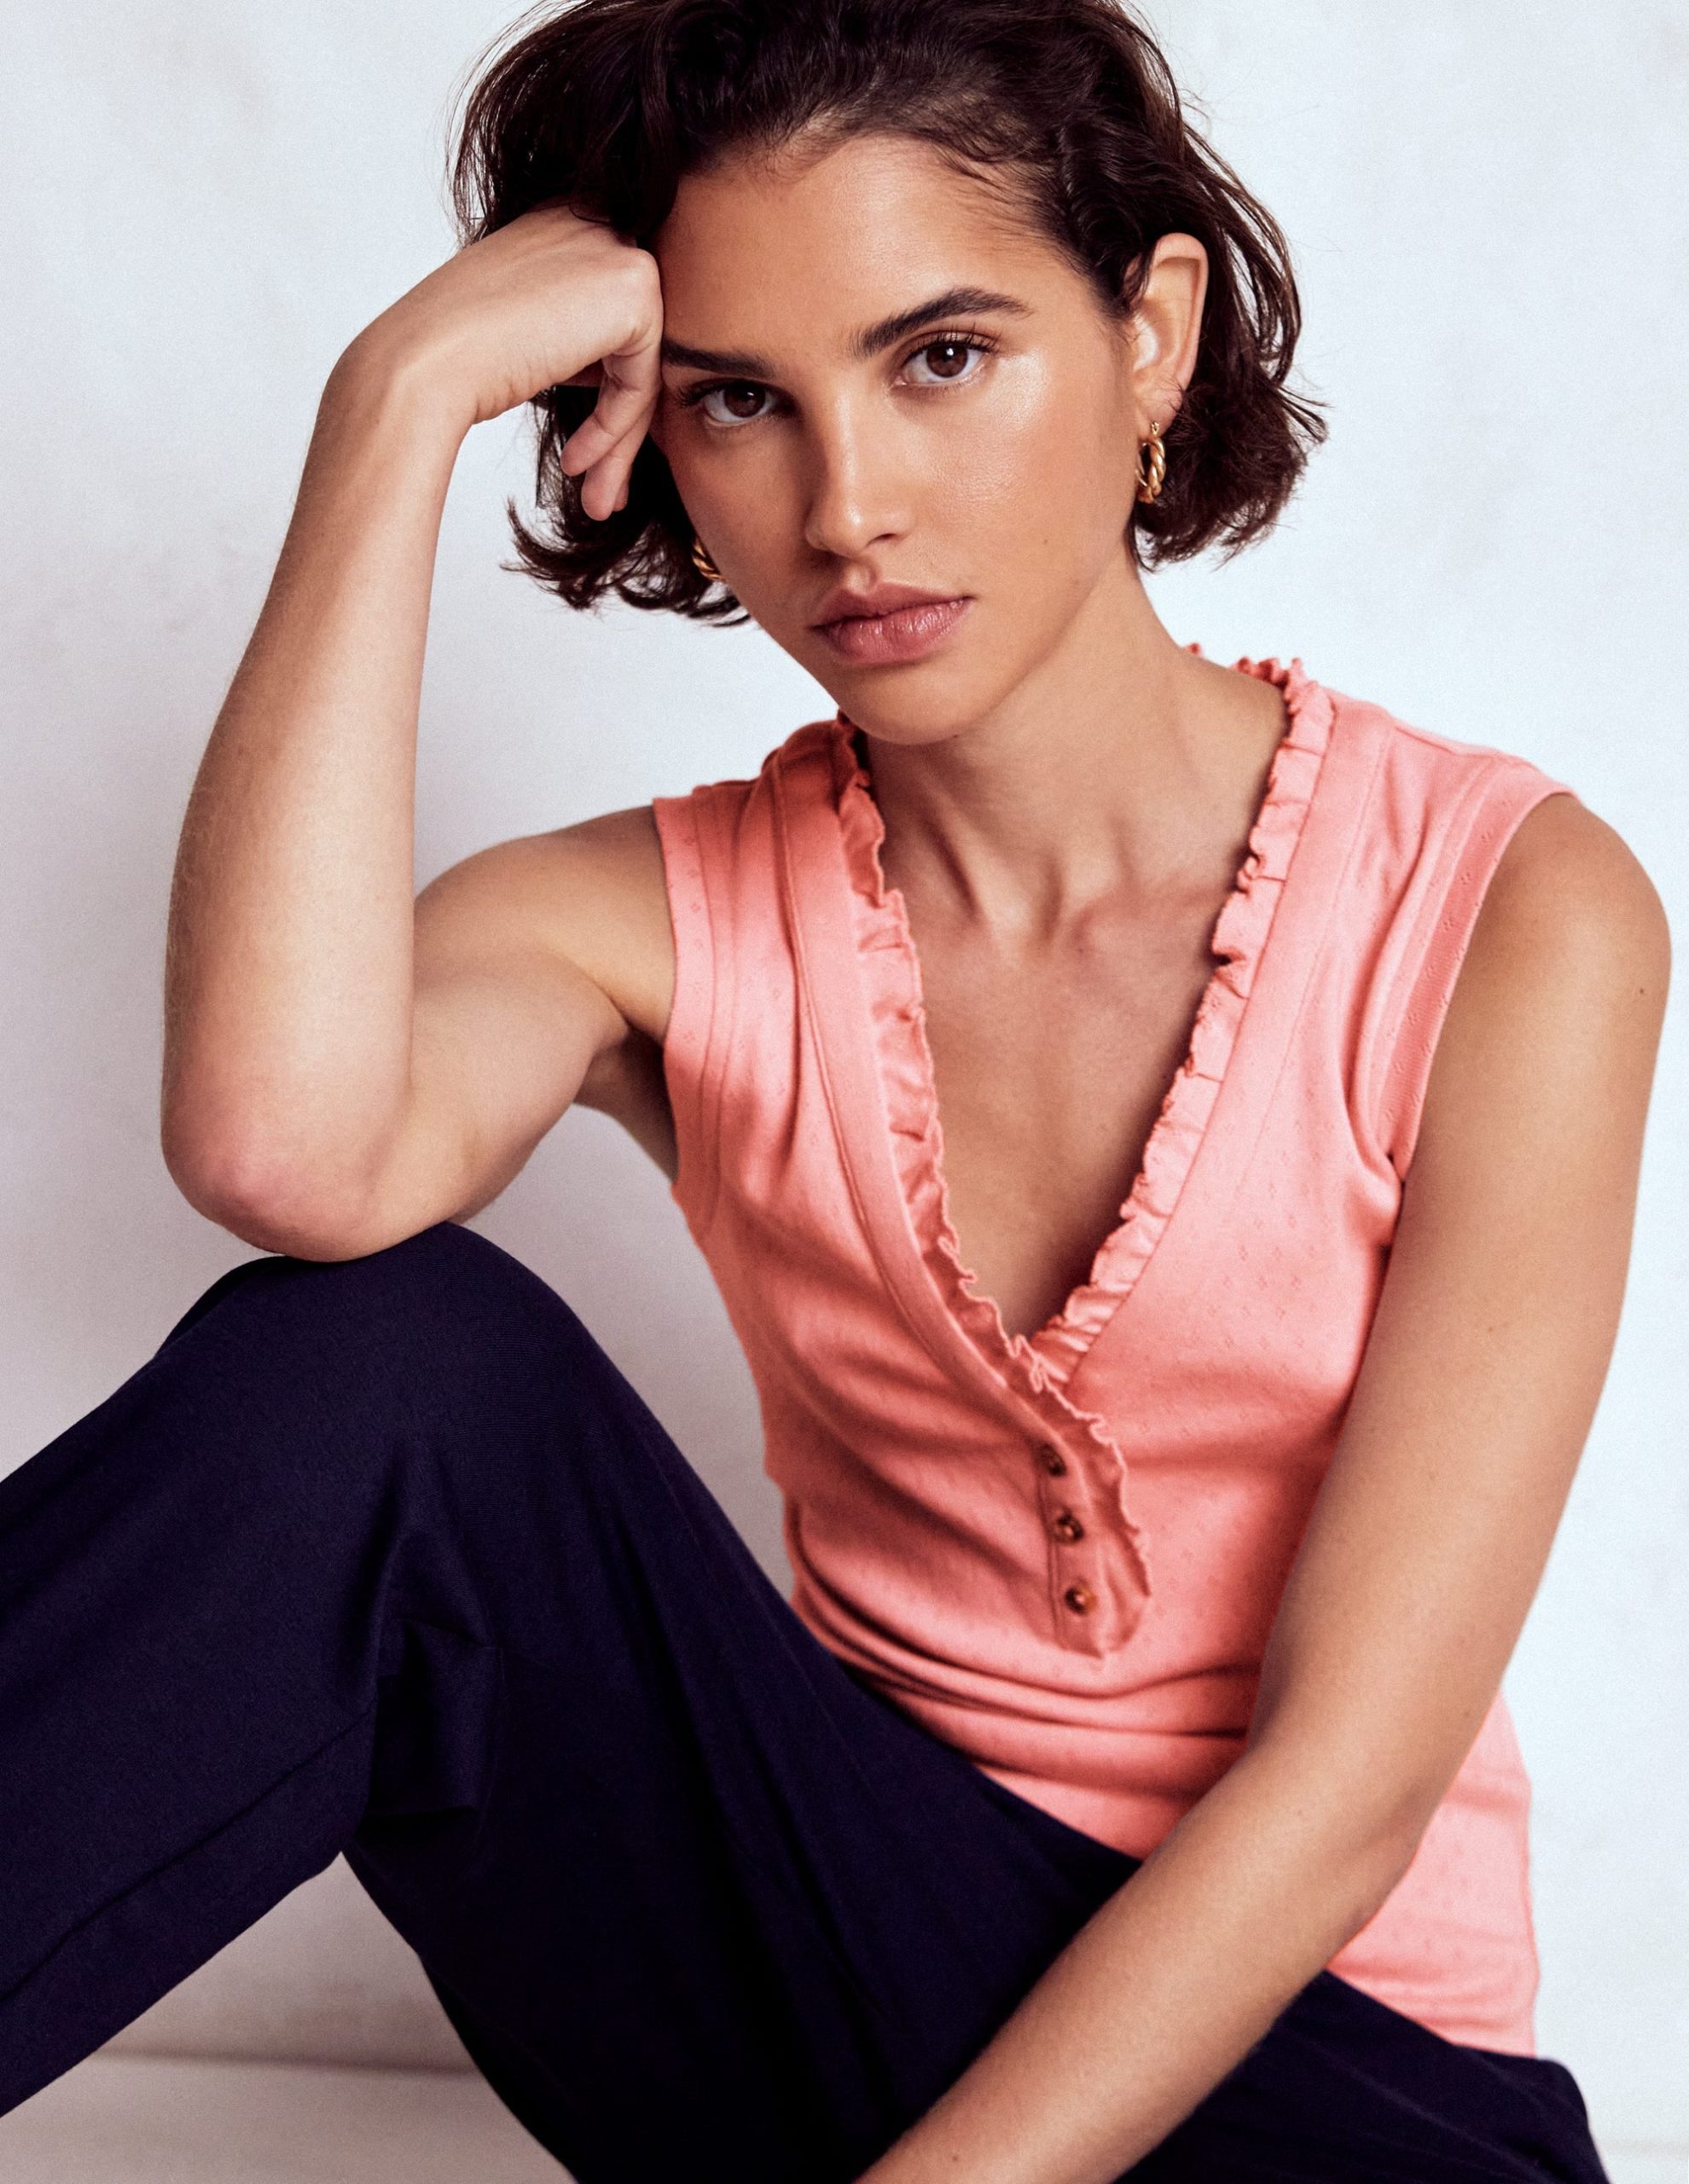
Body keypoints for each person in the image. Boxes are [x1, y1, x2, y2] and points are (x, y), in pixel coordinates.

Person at [0, 0, 1667, 2177]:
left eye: (941, 356)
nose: (849, 506)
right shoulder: (651, 923)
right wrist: (389, 404)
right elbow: (279, 1150)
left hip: (1331, 2077)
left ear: (1152, 334)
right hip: (828, 1961)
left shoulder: (1505, 910)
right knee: (384, 1363)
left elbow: (1346, 1780)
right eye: (739, 399)